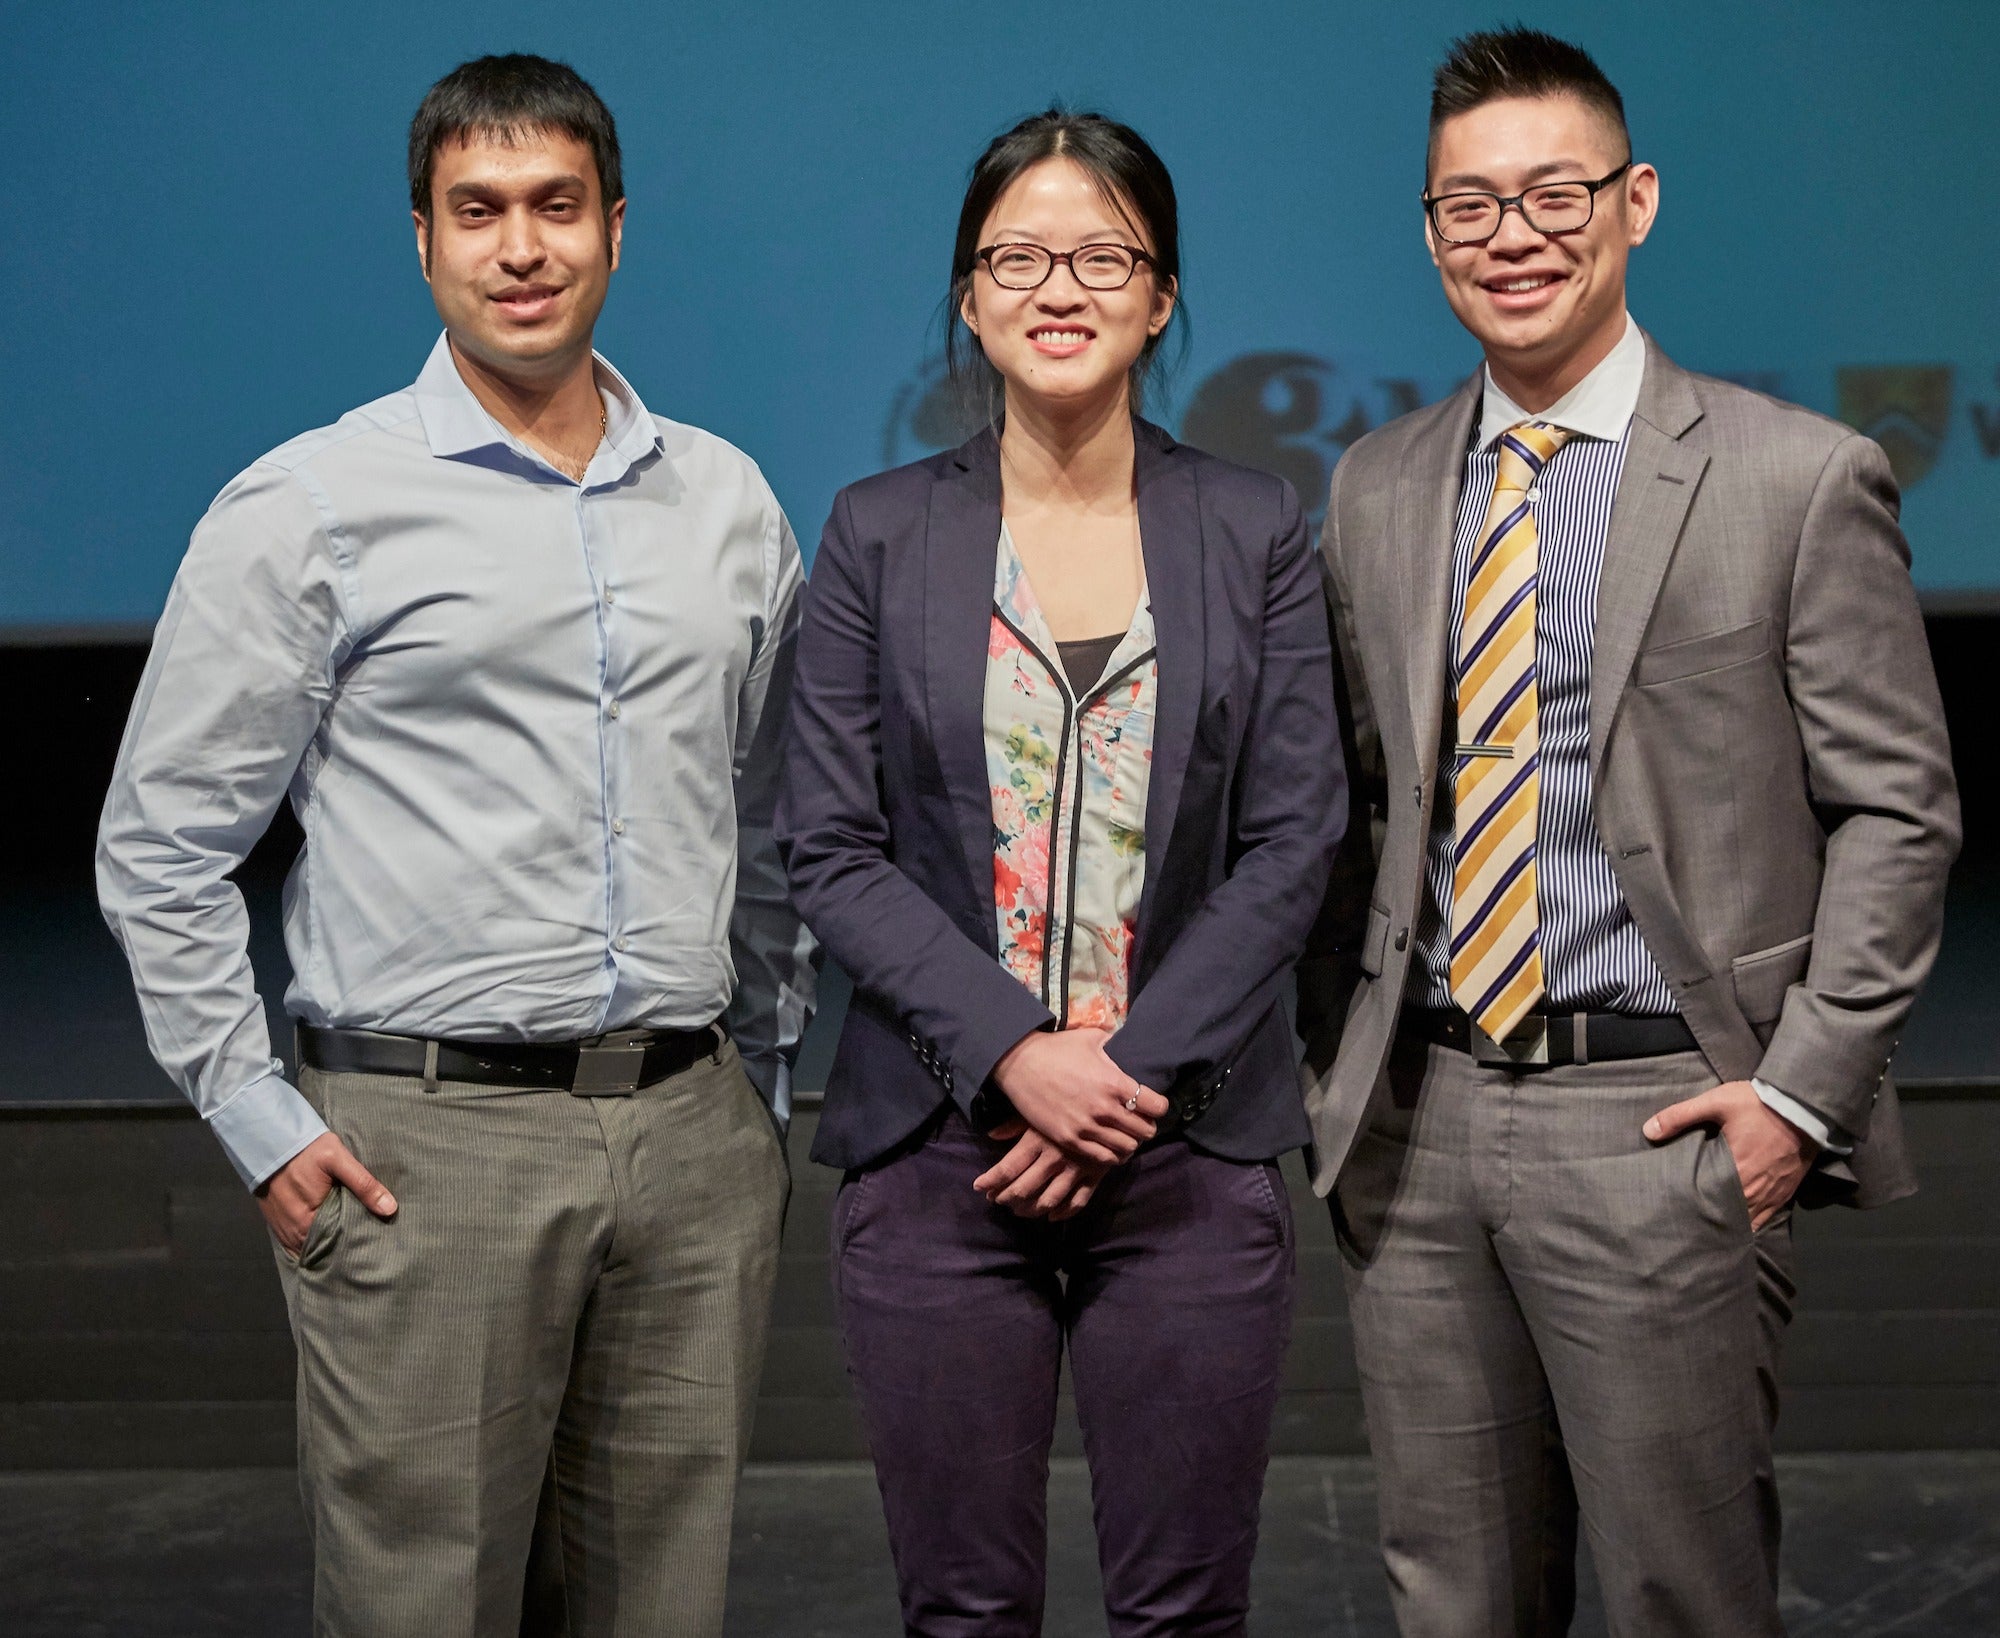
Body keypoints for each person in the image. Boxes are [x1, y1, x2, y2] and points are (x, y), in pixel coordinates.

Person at [96, 53, 813, 1637]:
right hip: (427, 1152)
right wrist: (255, 1114)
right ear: (421, 242)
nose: (521, 247)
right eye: (477, 211)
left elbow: (771, 816)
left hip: (690, 1139)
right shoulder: (313, 504)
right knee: (423, 1610)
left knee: (665, 1609)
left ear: (617, 230)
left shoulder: (729, 503)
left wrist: (759, 1089)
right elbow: (160, 840)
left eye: (556, 207)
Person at [1297, 27, 1961, 1636]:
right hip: (1425, 1120)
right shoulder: (1375, 487)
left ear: (1637, 200)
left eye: (1553, 194)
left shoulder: (1797, 476)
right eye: (1469, 206)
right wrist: (1344, 1076)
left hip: (1666, 1112)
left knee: (1682, 1594)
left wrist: (1795, 1098)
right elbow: (1368, 802)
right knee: (1449, 1593)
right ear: (1431, 227)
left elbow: (1899, 807)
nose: (1511, 236)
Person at [777, 109, 1345, 1637]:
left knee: (1183, 1609)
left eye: (1104, 252)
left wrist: (1125, 1072)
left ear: (1162, 296)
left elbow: (1298, 835)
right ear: (967, 297)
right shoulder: (879, 534)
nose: (1060, 284)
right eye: (1017, 254)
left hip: (1189, 1151)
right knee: (963, 1610)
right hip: (941, 1153)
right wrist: (1021, 1056)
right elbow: (829, 842)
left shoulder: (1252, 525)